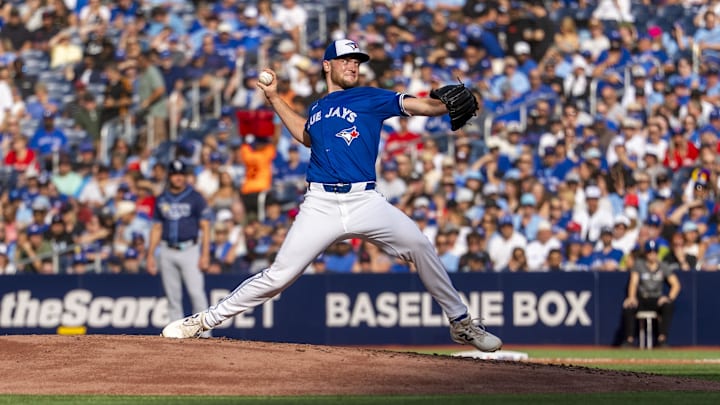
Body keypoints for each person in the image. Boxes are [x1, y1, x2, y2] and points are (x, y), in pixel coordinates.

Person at [161, 39, 502, 352]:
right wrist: (275, 98)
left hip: (365, 200)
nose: (353, 65)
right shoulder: (319, 108)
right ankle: (203, 321)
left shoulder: (370, 96)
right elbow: (304, 136)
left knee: (419, 246)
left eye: (356, 61)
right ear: (328, 65)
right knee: (278, 276)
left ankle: (461, 323)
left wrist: (443, 107)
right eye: (345, 60)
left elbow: (421, 106)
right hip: (320, 204)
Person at [147, 160, 212, 337]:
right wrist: (150, 255)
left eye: (181, 174)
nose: (178, 178)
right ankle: (176, 336)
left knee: (196, 293)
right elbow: (156, 228)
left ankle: (205, 335)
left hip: (190, 249)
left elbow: (205, 226)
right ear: (170, 176)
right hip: (167, 249)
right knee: (172, 296)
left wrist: (205, 254)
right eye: (175, 175)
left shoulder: (195, 197)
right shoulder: (162, 198)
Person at [621, 239, 681, 348]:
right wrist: (631, 297)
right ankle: (629, 340)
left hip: (656, 299)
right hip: (642, 298)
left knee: (668, 305)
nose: (652, 254)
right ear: (646, 253)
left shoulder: (663, 266)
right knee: (629, 306)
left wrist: (668, 298)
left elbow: (676, 284)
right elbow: (633, 283)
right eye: (650, 252)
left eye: (654, 252)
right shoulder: (639, 264)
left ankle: (662, 339)